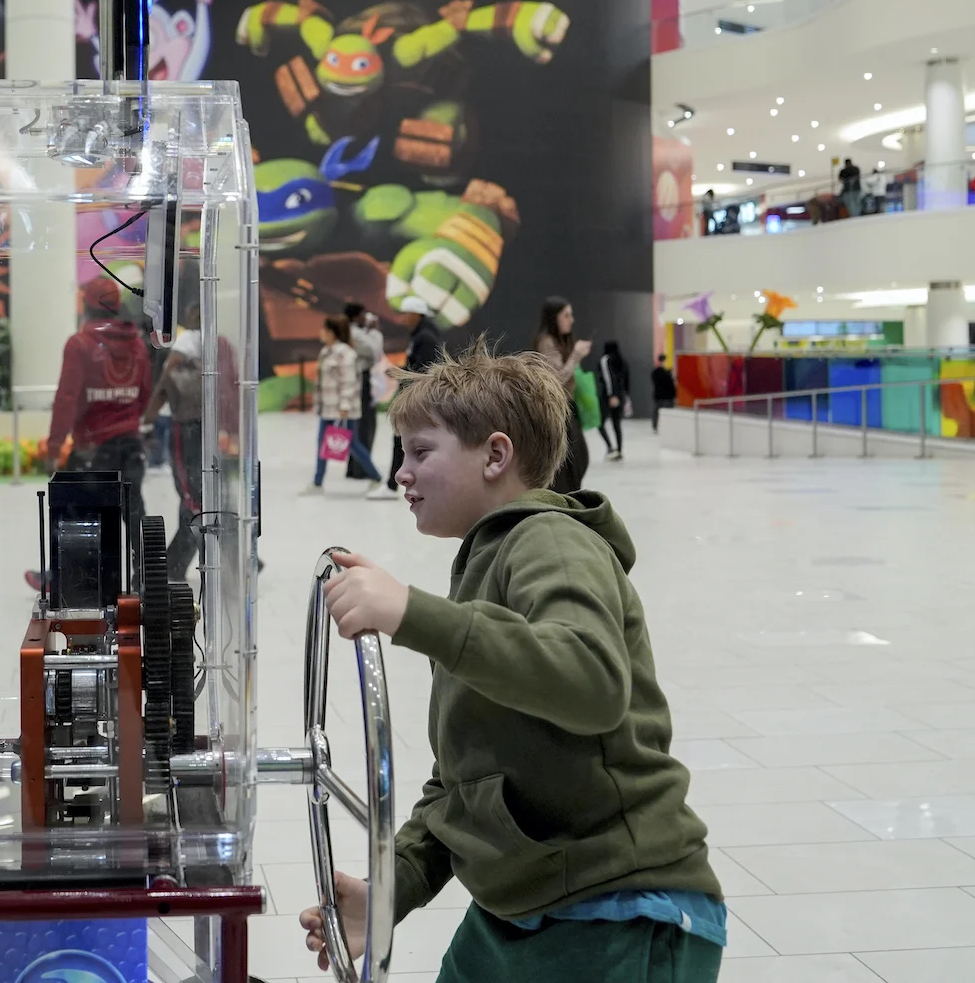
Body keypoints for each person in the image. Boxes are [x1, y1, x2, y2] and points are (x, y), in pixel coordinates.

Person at [301, 346, 724, 982]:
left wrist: (412, 612)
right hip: (518, 910)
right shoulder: (481, 568)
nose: (400, 476)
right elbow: (466, 784)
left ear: (495, 456)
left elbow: (591, 678)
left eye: (420, 452)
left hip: (617, 909)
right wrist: (395, 889)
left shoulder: (549, 538)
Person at [30, 276, 154, 588]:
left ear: (86, 305)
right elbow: (145, 394)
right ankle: (146, 575)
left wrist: (56, 446)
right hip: (130, 443)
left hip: (93, 449)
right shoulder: (137, 344)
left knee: (71, 509)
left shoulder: (80, 344)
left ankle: (64, 578)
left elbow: (67, 398)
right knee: (134, 507)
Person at [141, 303, 208, 581]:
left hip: (185, 427)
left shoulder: (188, 340)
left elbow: (166, 382)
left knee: (191, 496)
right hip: (211, 427)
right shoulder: (221, 341)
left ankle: (175, 563)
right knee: (198, 496)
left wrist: (147, 420)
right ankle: (176, 562)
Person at [302, 315, 387, 494]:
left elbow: (348, 382)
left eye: (324, 329)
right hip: (327, 408)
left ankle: (377, 478)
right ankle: (317, 483)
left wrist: (345, 406)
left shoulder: (346, 353)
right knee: (322, 443)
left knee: (352, 444)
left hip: (342, 410)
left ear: (331, 332)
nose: (321, 332)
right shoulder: (326, 351)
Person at [380, 295, 443, 497]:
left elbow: (422, 371)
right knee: (405, 441)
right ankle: (395, 484)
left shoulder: (425, 337)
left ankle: (393, 485)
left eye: (406, 314)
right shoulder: (420, 335)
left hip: (417, 400)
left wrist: (403, 377)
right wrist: (399, 372)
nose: (403, 318)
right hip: (415, 398)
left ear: (416, 314)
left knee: (405, 440)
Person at [533, 296, 591, 492]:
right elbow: (556, 378)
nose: (571, 320)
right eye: (566, 315)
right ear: (554, 318)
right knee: (569, 466)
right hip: (557, 413)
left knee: (578, 460)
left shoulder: (559, 342)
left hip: (567, 411)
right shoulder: (546, 342)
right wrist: (576, 355)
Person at [345, 303, 386, 481]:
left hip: (363, 380)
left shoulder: (355, 332)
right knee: (364, 425)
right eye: (363, 315)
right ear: (355, 317)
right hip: (360, 382)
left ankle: (356, 467)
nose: (366, 318)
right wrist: (374, 332)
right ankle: (361, 468)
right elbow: (374, 351)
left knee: (362, 426)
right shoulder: (354, 333)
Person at [595, 340, 630, 461]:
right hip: (620, 396)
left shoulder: (605, 360)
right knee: (617, 424)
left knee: (600, 423)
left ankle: (610, 447)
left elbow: (608, 378)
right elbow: (626, 380)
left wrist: (612, 395)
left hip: (609, 396)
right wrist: (623, 396)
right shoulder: (622, 361)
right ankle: (619, 450)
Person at [650, 354, 678, 433]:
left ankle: (655, 427)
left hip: (658, 395)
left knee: (656, 412)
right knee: (667, 413)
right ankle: (666, 427)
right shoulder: (666, 373)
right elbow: (670, 384)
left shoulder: (655, 372)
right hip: (667, 396)